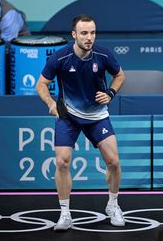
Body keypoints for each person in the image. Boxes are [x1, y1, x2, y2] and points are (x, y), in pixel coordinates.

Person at [35, 14, 125, 231]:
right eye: (84, 33)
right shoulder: (60, 58)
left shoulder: (103, 54)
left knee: (113, 161)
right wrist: (50, 103)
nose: (89, 37)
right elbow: (41, 84)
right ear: (74, 34)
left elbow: (120, 75)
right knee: (62, 162)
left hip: (97, 116)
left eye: (92, 32)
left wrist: (111, 93)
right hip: (69, 116)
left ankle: (113, 205)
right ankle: (65, 213)